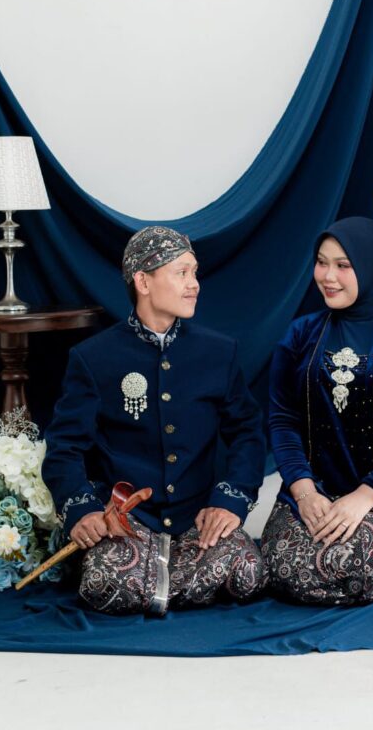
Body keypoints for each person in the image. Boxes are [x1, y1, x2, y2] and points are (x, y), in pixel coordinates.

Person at [42, 225, 266, 615]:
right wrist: (82, 510)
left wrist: (229, 502)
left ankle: (150, 584)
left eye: (194, 273)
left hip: (196, 517)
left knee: (247, 572)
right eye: (181, 273)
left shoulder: (219, 352)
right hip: (127, 520)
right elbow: (64, 448)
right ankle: (169, 581)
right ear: (143, 281)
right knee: (104, 580)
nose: (194, 284)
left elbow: (248, 433)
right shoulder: (93, 358)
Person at [261, 216, 373, 606]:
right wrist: (305, 492)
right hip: (313, 490)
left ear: (371, 266)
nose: (328, 276)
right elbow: (282, 420)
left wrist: (365, 496)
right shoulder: (299, 334)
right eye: (321, 262)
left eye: (343, 265)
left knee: (365, 552)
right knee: (280, 563)